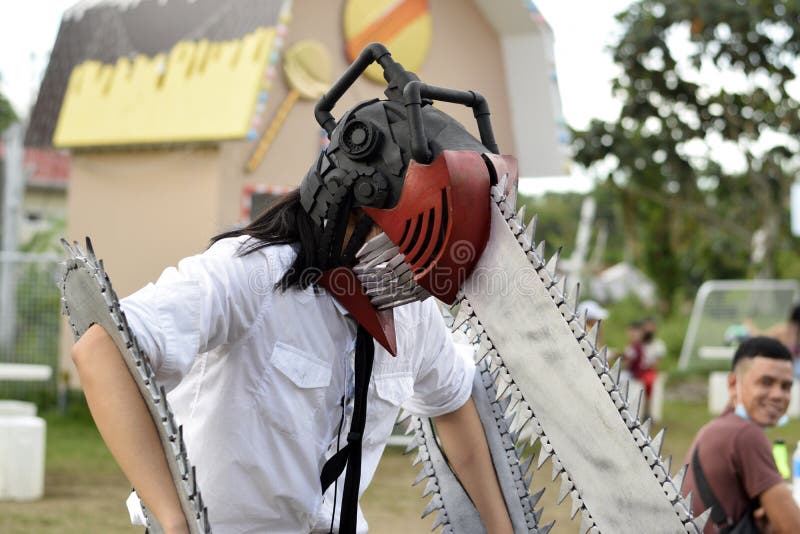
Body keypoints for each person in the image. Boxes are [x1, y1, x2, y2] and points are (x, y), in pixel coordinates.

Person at [69, 45, 514, 533]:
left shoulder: (410, 313)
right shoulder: (249, 275)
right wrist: (174, 520)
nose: (414, 275)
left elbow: (452, 403)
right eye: (406, 247)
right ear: (353, 201)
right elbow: (100, 351)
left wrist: (500, 528)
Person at [682, 336, 800, 533]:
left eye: (786, 386)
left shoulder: (717, 428)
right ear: (733, 383)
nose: (778, 395)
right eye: (766, 382)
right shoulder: (745, 434)